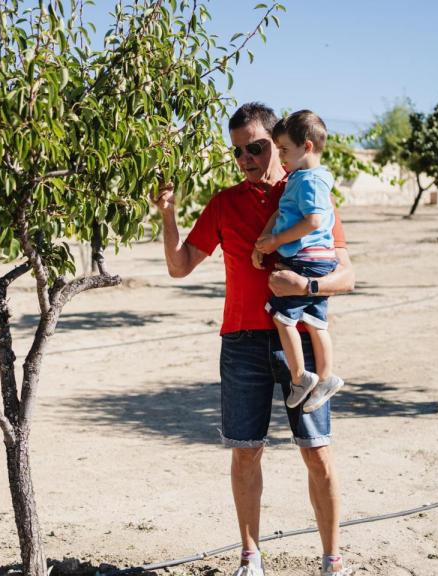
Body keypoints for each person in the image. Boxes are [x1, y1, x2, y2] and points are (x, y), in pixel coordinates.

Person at [152, 102, 356, 576]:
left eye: (257, 148)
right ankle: (251, 558)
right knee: (246, 452)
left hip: (300, 342)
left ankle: (332, 561)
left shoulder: (309, 190)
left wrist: (304, 286)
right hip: (241, 343)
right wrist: (168, 214)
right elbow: (180, 266)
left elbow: (346, 276)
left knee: (317, 451)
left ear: (279, 144)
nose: (247, 159)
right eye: (238, 151)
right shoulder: (224, 204)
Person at [253, 110, 344, 414]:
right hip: (320, 260)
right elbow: (282, 212)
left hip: (305, 259)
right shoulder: (312, 178)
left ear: (306, 147)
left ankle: (300, 377)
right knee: (316, 322)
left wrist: (276, 241)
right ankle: (327, 378)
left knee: (282, 318)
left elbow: (313, 221)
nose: (280, 157)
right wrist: (266, 239)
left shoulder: (307, 181)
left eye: (284, 150)